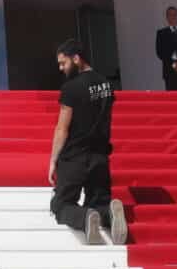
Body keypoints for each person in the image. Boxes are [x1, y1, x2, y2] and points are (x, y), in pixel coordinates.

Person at [48, 38, 127, 246]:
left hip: (75, 157)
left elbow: (62, 128)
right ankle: (108, 213)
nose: (61, 68)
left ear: (76, 58)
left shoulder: (71, 88)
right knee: (99, 200)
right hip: (100, 157)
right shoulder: (107, 86)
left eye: (63, 63)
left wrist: (53, 160)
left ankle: (85, 218)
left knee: (61, 204)